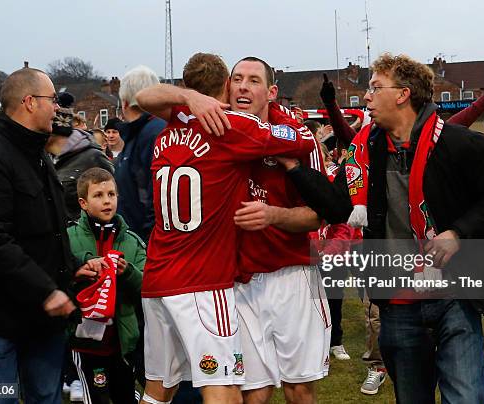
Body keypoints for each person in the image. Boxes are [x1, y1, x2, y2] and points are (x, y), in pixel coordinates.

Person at [275, 53, 484, 404]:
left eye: (375, 87)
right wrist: (294, 168)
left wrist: (458, 233)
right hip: (397, 301)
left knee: (466, 397)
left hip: (454, 294)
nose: (366, 96)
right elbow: (337, 207)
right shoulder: (365, 151)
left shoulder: (460, 144)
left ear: (403, 94)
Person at [135, 52, 316, 404]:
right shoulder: (232, 126)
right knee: (225, 387)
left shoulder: (174, 121)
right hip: (203, 280)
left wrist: (187, 97)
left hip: (157, 276)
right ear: (225, 86)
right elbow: (302, 141)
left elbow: (143, 97)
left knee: (159, 388)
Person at [0, 67, 99, 404]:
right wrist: (46, 290)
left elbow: (46, 231)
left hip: (42, 320)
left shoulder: (38, 156)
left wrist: (72, 267)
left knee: (45, 397)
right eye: (52, 100)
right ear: (29, 102)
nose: (58, 109)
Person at [228, 57, 329, 404]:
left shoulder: (299, 138)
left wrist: (272, 215)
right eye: (236, 79)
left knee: (298, 388)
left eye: (253, 80)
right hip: (239, 281)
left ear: (271, 92)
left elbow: (318, 215)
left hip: (292, 275)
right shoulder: (217, 130)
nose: (243, 86)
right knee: (253, 392)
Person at [67, 167, 145, 404]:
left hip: (123, 343)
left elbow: (148, 287)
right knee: (97, 399)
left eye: (111, 194)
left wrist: (128, 273)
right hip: (86, 344)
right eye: (98, 196)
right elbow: (52, 278)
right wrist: (78, 273)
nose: (107, 201)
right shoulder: (69, 238)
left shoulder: (132, 241)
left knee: (125, 397)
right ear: (83, 202)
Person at [116, 66, 166, 242]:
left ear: (125, 102)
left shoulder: (152, 134)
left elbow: (157, 197)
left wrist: (145, 243)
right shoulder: (137, 134)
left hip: (146, 244)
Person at [46, 92, 115, 221]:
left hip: (87, 237)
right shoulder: (45, 159)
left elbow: (114, 200)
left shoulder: (93, 158)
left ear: (53, 131)